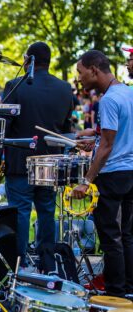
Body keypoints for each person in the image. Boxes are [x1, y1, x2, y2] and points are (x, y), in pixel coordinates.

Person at [0, 41, 73, 265]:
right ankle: (48, 263)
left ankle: (20, 264)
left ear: (29, 60)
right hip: (51, 163)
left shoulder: (15, 86)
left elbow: (1, 127)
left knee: (21, 212)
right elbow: (67, 130)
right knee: (47, 212)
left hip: (20, 163)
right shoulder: (65, 89)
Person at [72, 50, 133, 297]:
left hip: (112, 175)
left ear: (94, 70)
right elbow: (116, 135)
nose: (79, 78)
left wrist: (86, 181)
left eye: (80, 72)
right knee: (127, 235)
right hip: (130, 172)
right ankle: (129, 288)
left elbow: (108, 146)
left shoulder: (108, 100)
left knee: (110, 238)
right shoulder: (128, 93)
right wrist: (95, 138)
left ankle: (115, 293)